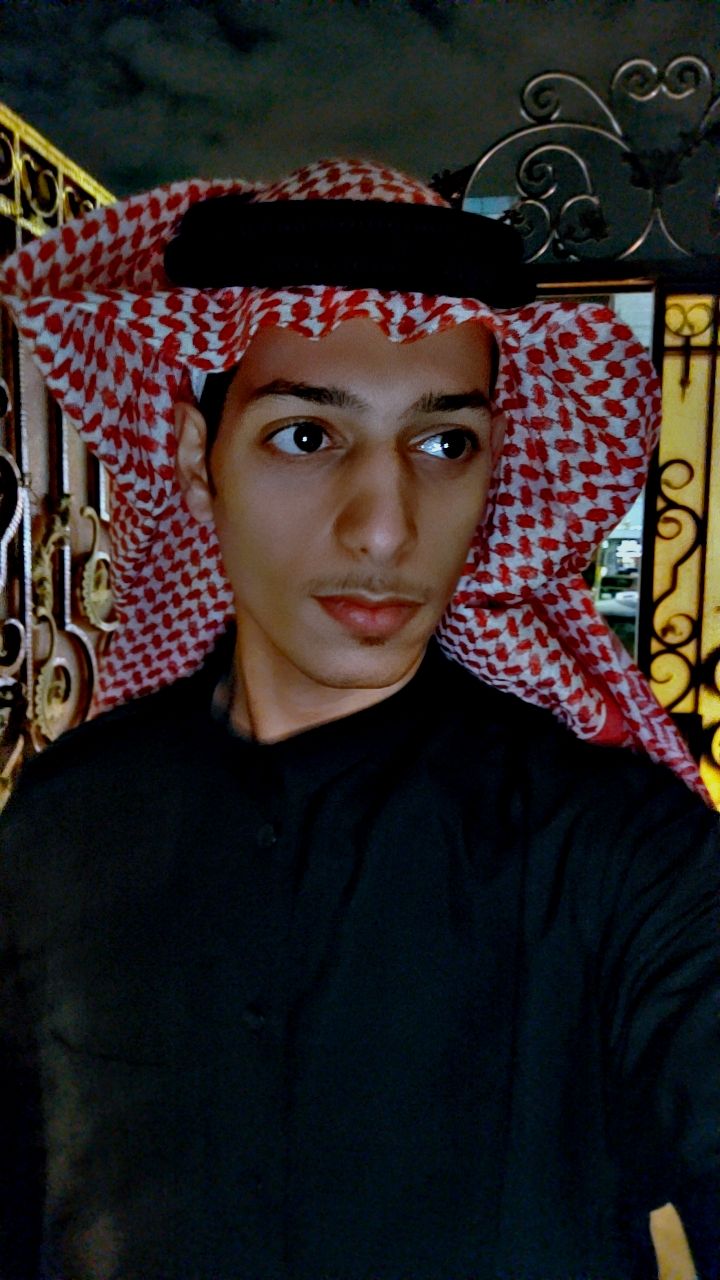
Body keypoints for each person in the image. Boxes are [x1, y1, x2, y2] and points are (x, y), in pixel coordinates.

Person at [0, 159, 717, 1280]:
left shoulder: (619, 853)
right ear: (196, 461)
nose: (385, 527)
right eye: (306, 435)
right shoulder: (65, 819)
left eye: (444, 443)